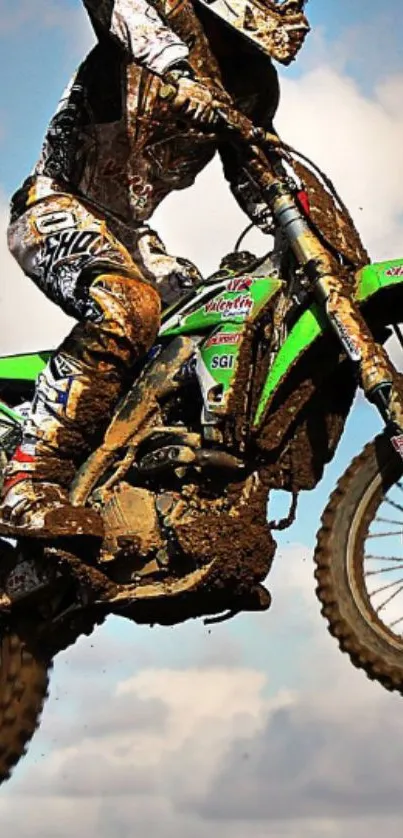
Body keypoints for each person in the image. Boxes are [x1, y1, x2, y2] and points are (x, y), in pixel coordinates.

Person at [0, 0, 310, 538]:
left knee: (215, 318)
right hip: (56, 205)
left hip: (132, 234)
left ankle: (153, 484)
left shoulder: (253, 83)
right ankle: (27, 479)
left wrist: (305, 229)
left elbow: (256, 177)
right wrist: (175, 67)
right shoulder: (164, 13)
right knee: (129, 309)